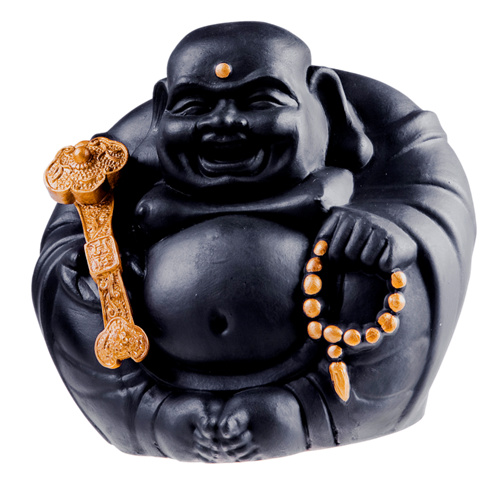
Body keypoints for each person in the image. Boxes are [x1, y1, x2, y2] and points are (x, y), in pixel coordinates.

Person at [33, 22, 475, 462]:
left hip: (325, 378)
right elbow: (62, 248)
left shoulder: (394, 131)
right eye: (194, 106)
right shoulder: (119, 161)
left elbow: (437, 204)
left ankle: (307, 414)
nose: (224, 121)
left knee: (377, 281)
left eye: (261, 101)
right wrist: (84, 274)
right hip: (161, 377)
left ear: (321, 99)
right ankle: (156, 419)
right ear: (162, 107)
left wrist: (389, 234)